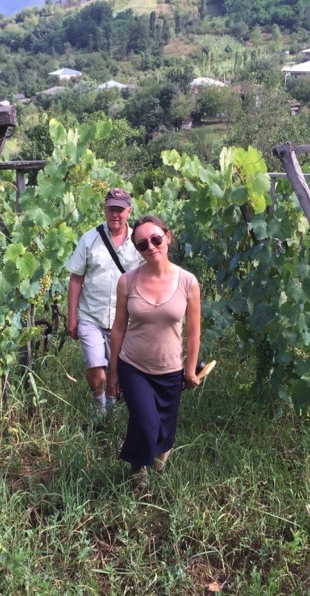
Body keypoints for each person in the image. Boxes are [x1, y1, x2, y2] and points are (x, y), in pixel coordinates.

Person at [108, 215, 201, 488]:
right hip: (133, 366)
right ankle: (138, 472)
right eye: (142, 244)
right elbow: (118, 329)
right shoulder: (128, 281)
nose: (150, 247)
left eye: (156, 239)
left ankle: (158, 460)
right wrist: (113, 372)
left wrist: (190, 369)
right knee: (146, 422)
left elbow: (194, 331)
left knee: (165, 430)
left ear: (167, 237)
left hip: (170, 369)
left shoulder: (188, 282)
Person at [66, 188, 142, 416]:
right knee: (95, 365)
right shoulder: (90, 239)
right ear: (105, 210)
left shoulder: (139, 242)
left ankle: (112, 407)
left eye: (120, 210)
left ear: (129, 211)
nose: (115, 214)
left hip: (125, 319)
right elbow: (76, 279)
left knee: (115, 368)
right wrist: (72, 317)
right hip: (92, 316)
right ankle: (99, 406)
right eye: (111, 209)